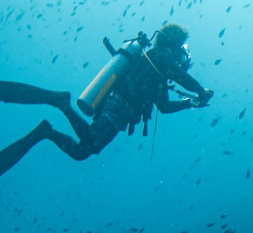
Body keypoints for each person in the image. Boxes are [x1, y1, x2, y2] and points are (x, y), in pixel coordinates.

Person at [0, 22, 214, 177]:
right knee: (88, 146)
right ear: (174, 44)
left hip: (116, 107)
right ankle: (59, 106)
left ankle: (48, 126)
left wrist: (189, 103)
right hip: (117, 107)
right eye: (181, 48)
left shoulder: (158, 70)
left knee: (84, 150)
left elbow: (164, 107)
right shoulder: (161, 56)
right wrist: (201, 90)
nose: (180, 56)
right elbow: (181, 77)